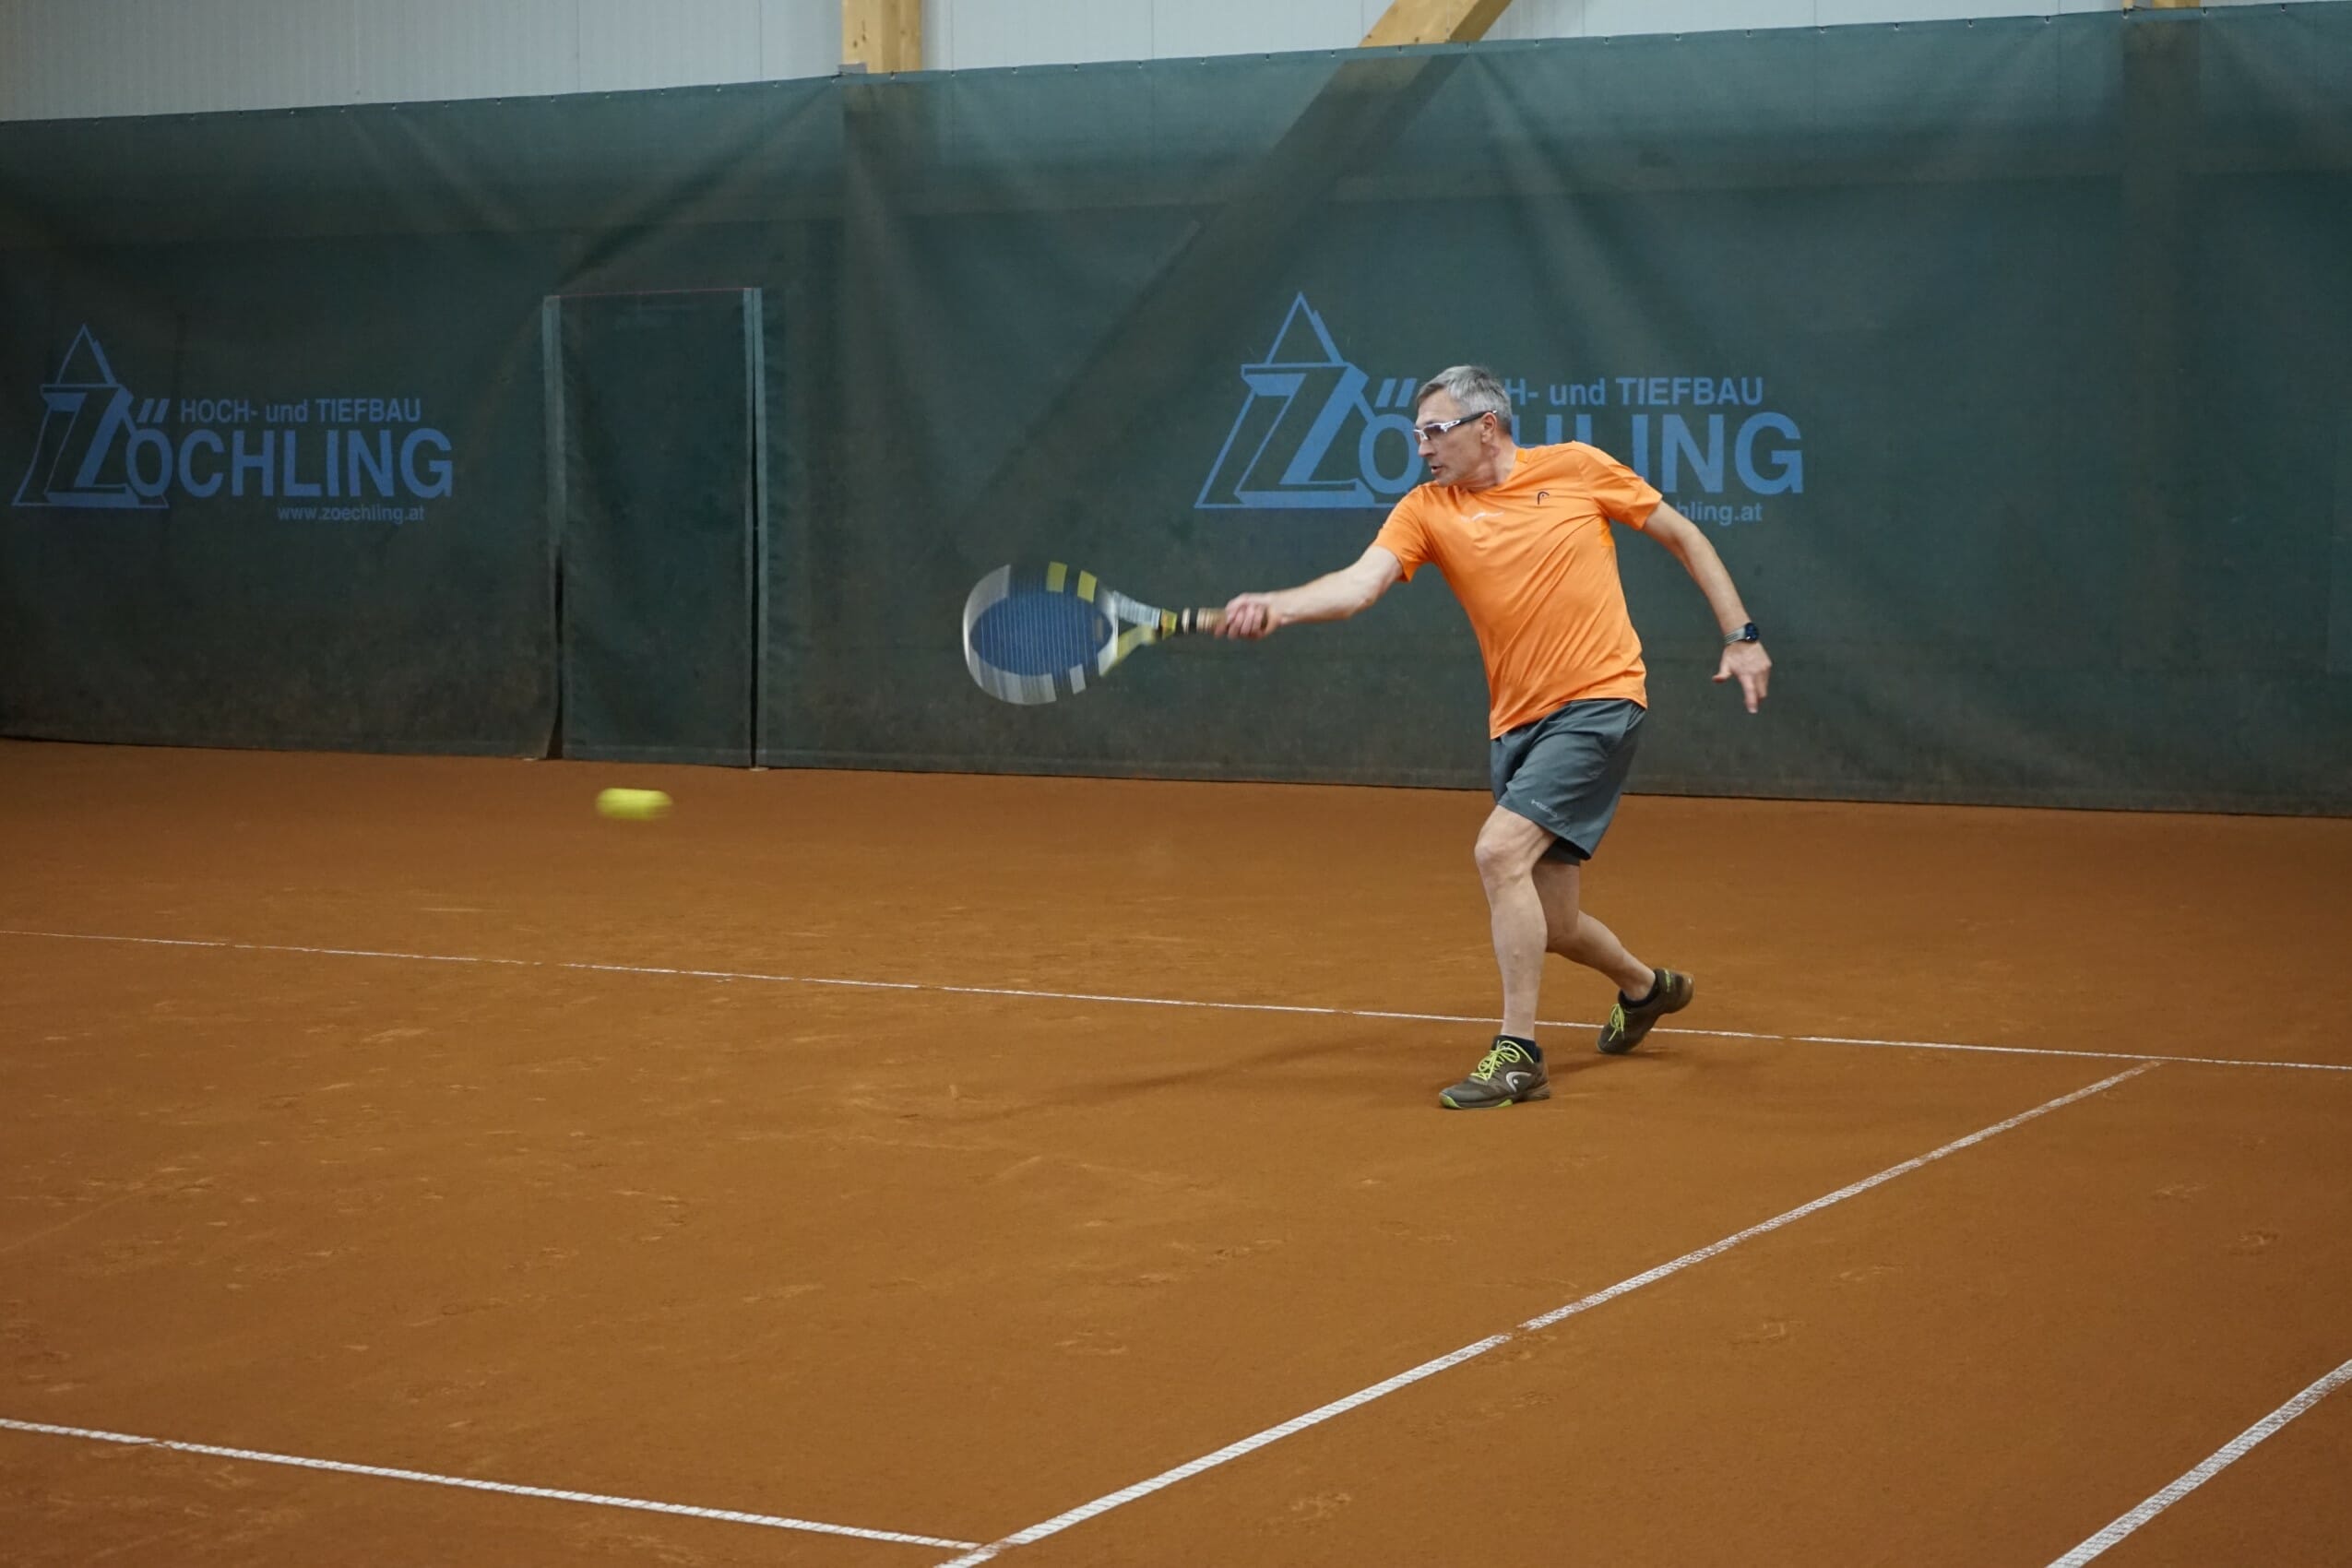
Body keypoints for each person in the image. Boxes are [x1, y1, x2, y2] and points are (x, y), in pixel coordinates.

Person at [1217, 365, 1771, 1110]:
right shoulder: (1425, 510)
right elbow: (1357, 586)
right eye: (1415, 435)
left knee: (1498, 851)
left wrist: (1740, 636)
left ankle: (1519, 1055)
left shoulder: (1575, 468)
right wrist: (1278, 606)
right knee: (1556, 923)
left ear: (1487, 426)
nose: (1422, 448)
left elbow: (1683, 535)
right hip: (1515, 724)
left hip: (1600, 700)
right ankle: (1647, 989)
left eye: (1434, 431)